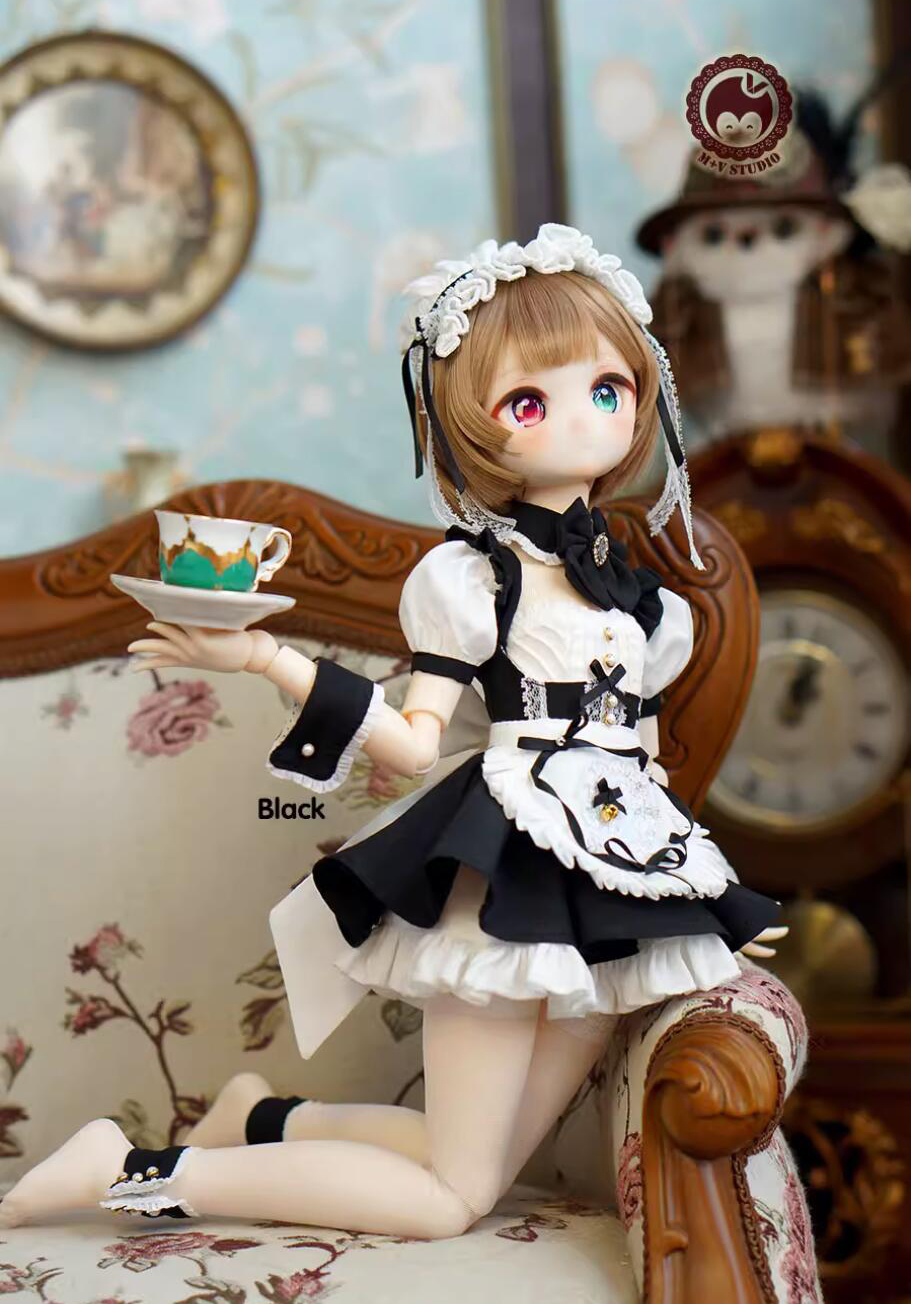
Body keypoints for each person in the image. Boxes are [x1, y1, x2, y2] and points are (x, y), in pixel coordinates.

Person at [0, 225, 783, 1239]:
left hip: (610, 891)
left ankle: (262, 1119)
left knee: (478, 1167)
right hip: (505, 872)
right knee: (450, 1200)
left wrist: (705, 899)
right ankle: (135, 1167)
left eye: (607, 388)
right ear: (468, 425)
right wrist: (265, 659)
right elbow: (415, 744)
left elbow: (635, 769)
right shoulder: (471, 580)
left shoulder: (646, 606)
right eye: (527, 402)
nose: (581, 418)